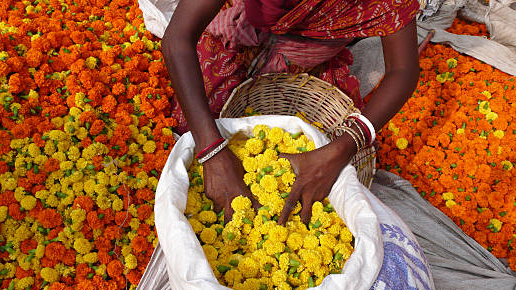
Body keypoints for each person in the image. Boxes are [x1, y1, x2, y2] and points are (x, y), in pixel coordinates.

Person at [161, 0, 421, 225]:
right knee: (190, 122)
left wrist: (343, 147)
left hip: (313, 46)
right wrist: (212, 151)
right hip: (249, 25)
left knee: (321, 130)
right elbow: (177, 38)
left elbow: (403, 70)